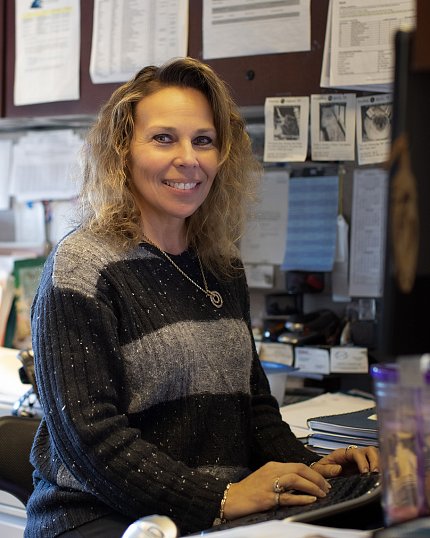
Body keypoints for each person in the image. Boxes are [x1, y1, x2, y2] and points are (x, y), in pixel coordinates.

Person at [25, 57, 379, 538]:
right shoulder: (84, 264)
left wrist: (314, 469)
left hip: (218, 515)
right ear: (122, 150)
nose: (188, 158)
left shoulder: (219, 263)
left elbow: (251, 409)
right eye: (163, 137)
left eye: (204, 140)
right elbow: (90, 437)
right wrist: (221, 499)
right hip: (104, 517)